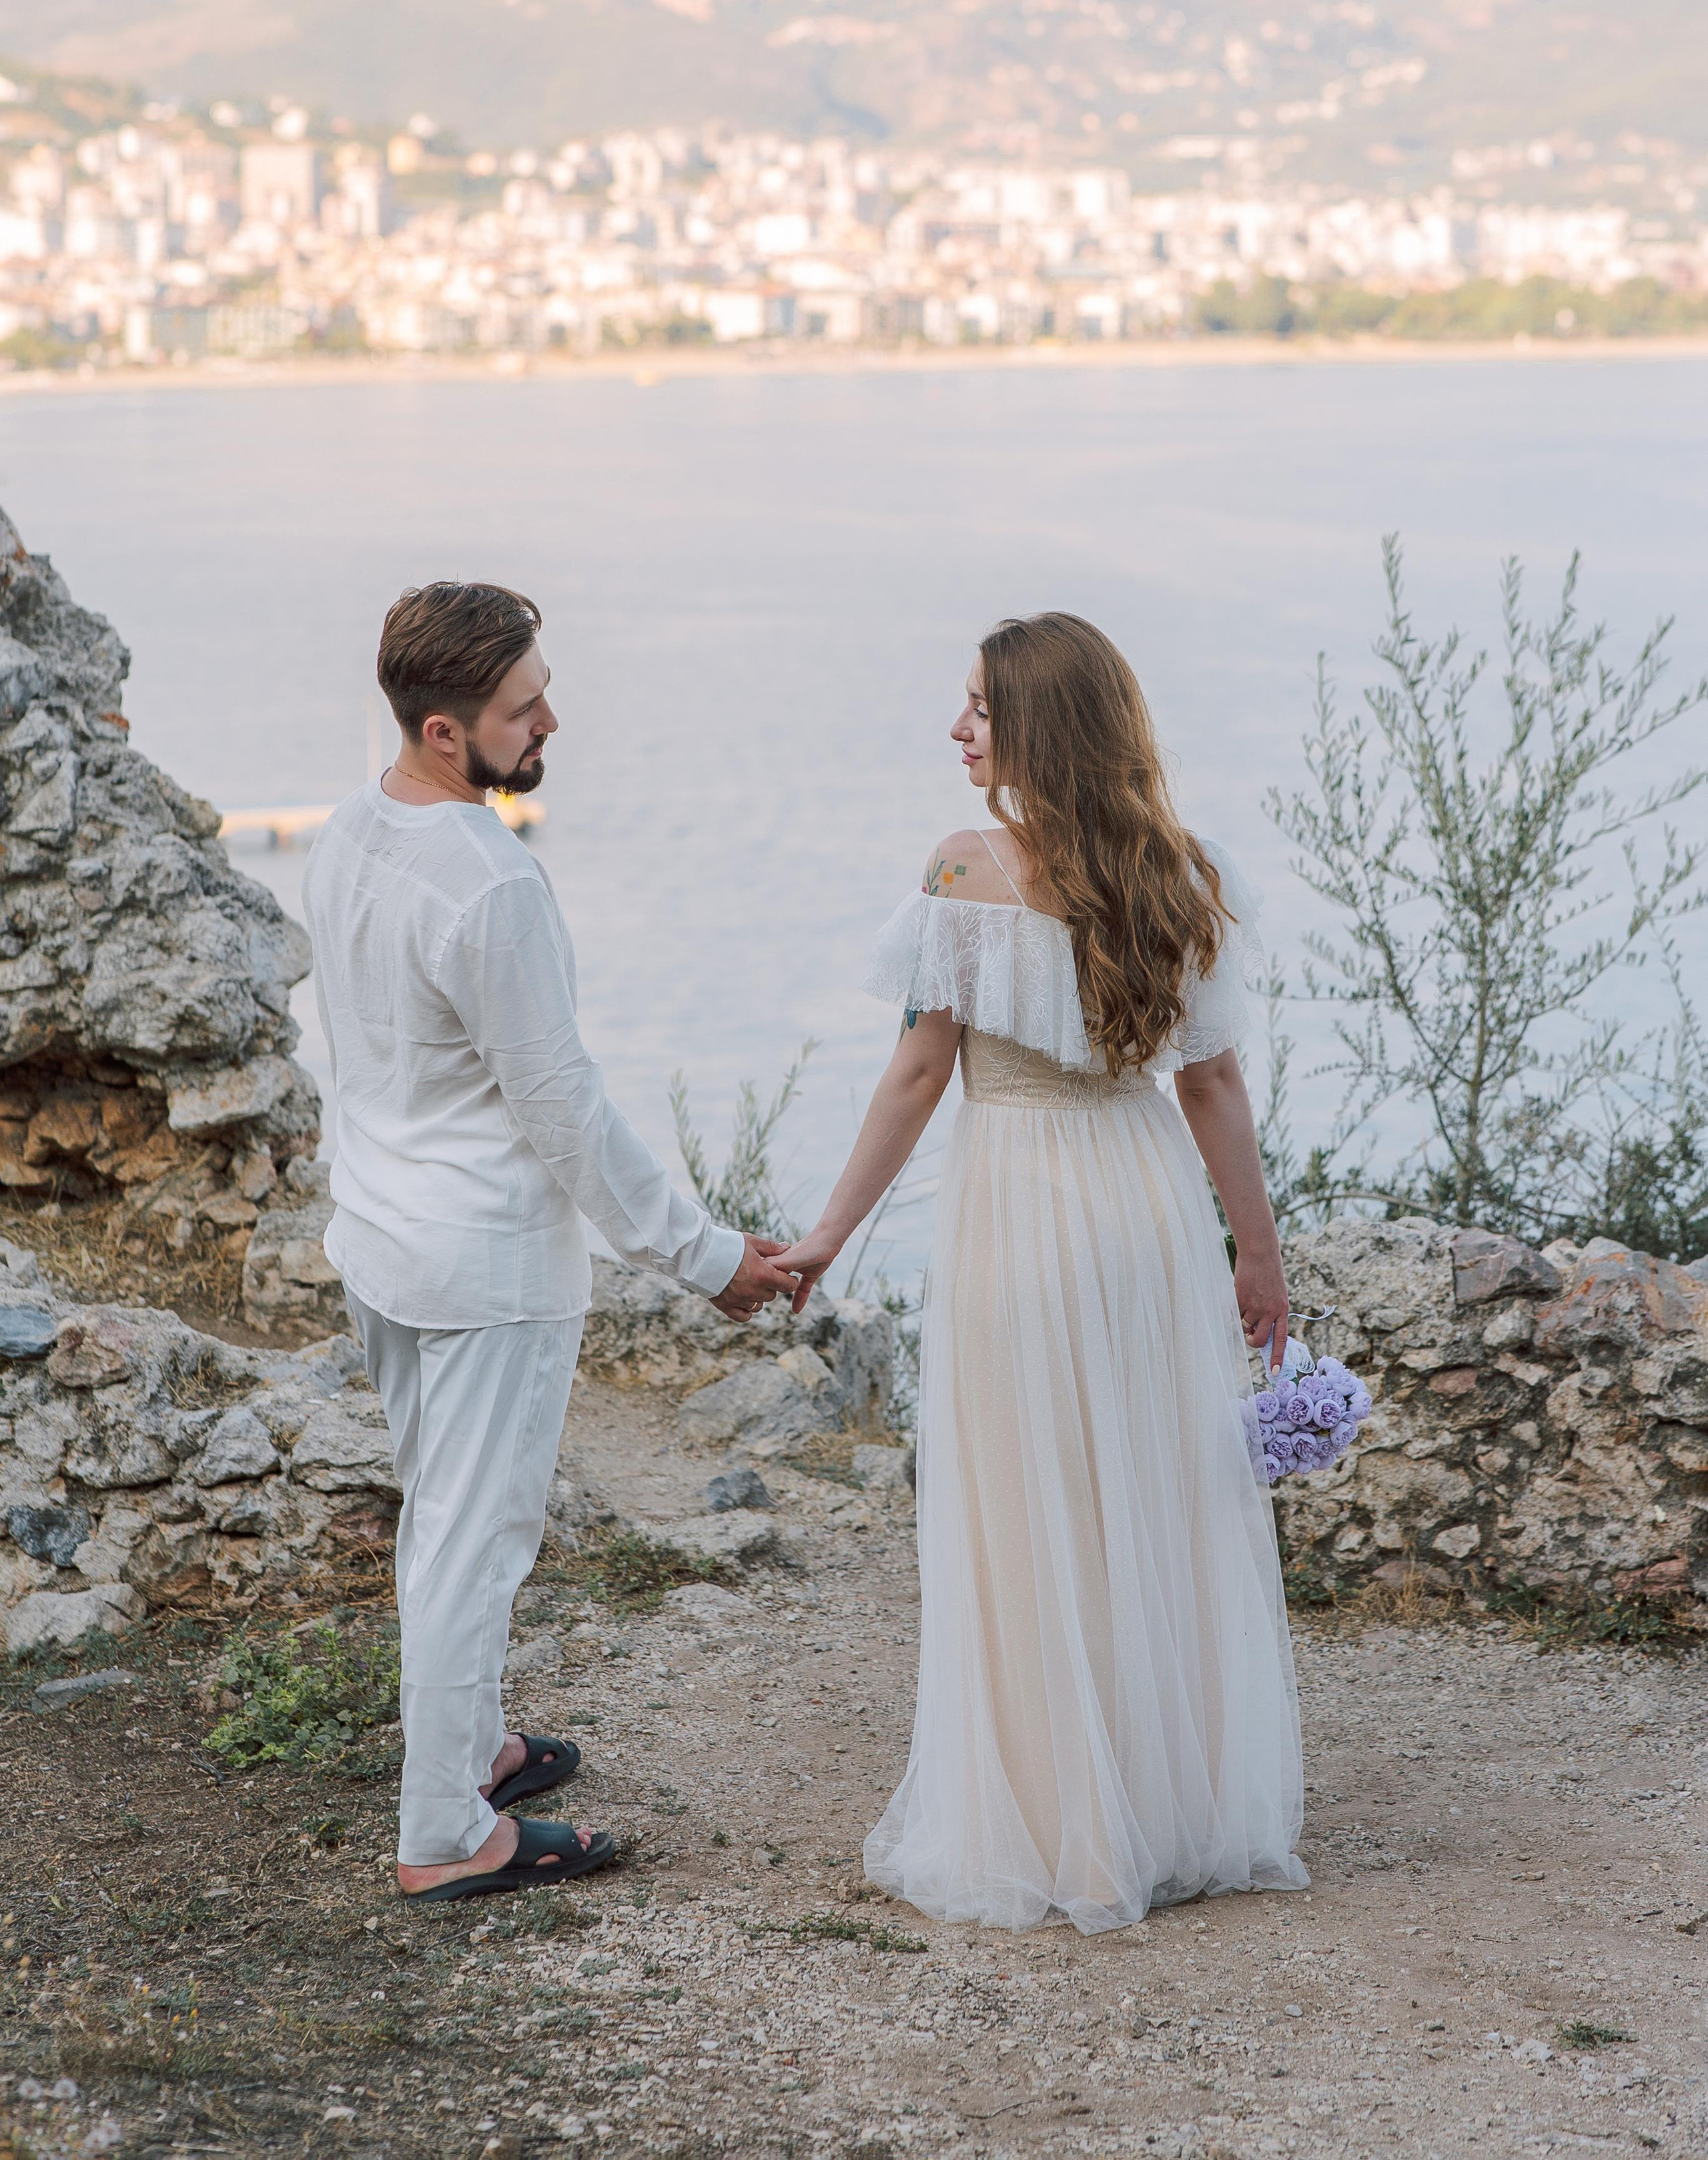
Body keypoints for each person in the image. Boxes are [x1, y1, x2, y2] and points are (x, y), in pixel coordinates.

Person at [773, 613, 1307, 1932]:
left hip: (1014, 1206)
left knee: (1025, 1506)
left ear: (1038, 731)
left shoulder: (963, 873)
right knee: (1146, 1494)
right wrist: (1256, 1252)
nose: (957, 731)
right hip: (1143, 1213)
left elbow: (913, 1076)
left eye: (979, 710)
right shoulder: (1185, 872)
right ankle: (1159, 1806)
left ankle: (1065, 1832)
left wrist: (829, 1234)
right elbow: (1217, 1087)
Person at [302, 581, 795, 1904]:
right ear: (448, 731)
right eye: (526, 708)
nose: (552, 722)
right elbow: (562, 1108)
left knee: (441, 1526)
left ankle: (473, 1753)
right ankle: (444, 1832)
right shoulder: (492, 883)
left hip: (388, 1243)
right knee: (474, 1541)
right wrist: (702, 1258)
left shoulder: (350, 832)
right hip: (483, 1265)